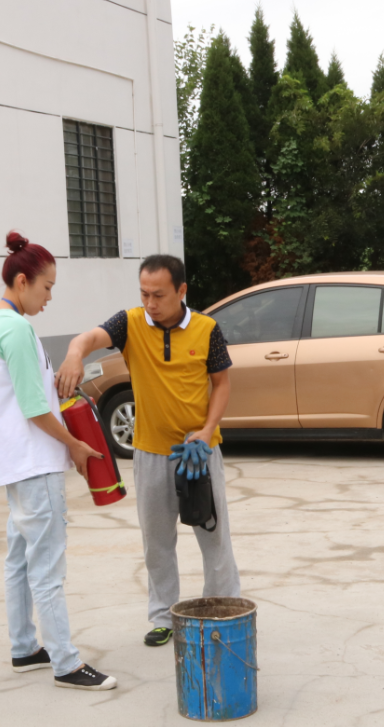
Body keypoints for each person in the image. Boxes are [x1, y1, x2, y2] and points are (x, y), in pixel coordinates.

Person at [56, 254, 239, 647]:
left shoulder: (207, 329)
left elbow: (222, 384)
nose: (150, 303)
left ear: (181, 290)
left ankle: (223, 610)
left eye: (159, 295)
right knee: (157, 541)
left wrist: (207, 431)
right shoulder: (130, 323)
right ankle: (163, 617)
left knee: (214, 536)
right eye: (144, 294)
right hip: (151, 452)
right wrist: (74, 353)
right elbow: (88, 339)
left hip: (199, 451)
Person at [0, 231, 115, 691]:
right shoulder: (16, 329)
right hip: (36, 463)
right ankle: (66, 663)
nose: (49, 297)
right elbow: (33, 408)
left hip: (16, 463)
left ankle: (24, 647)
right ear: (23, 281)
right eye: (46, 287)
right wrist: (73, 444)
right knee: (47, 567)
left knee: (20, 559)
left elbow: (22, 394)